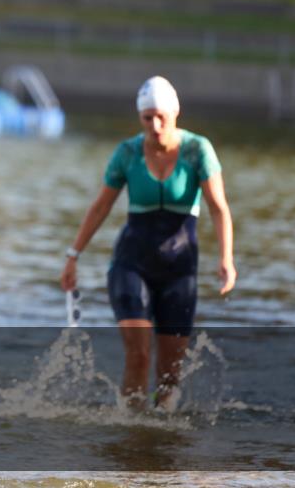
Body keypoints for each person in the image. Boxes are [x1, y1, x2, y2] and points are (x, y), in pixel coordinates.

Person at [60, 76, 236, 409]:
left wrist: (226, 258)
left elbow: (218, 208)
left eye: (161, 117)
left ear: (175, 112)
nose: (155, 125)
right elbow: (101, 206)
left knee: (169, 373)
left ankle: (160, 427)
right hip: (131, 265)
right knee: (138, 356)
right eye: (147, 118)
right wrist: (73, 256)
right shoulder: (127, 153)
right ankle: (132, 432)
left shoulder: (198, 150)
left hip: (180, 271)